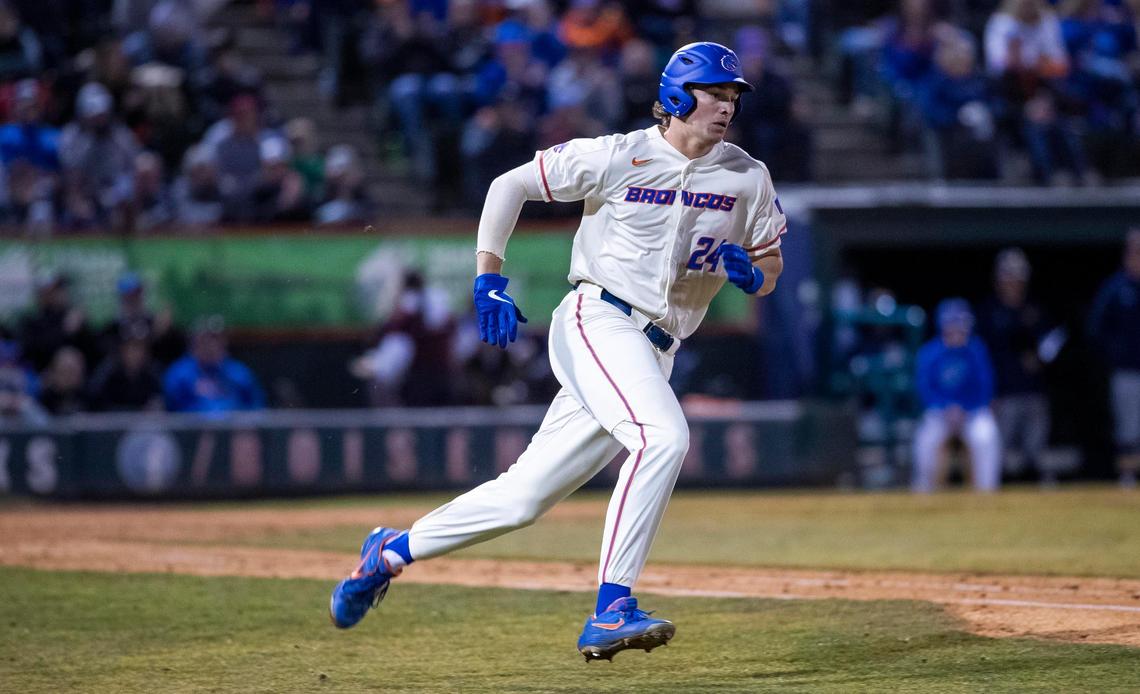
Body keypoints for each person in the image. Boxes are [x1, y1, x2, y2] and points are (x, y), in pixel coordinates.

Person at [329, 42, 787, 661]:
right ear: (677, 95)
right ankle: (612, 607)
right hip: (599, 318)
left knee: (522, 498)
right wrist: (488, 276)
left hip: (657, 349)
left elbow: (771, 261)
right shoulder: (618, 155)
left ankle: (387, 552)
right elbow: (508, 184)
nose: (727, 105)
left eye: (733, 95)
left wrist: (754, 276)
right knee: (664, 438)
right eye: (715, 92)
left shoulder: (746, 176)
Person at [976, 249, 1052, 481]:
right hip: (1003, 391)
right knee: (1000, 451)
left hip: (1034, 389)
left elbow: (1051, 343)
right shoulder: (988, 311)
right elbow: (981, 356)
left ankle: (1035, 493)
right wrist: (988, 394)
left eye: (1017, 276)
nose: (1012, 282)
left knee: (1035, 449)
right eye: (1008, 276)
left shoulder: (1034, 309)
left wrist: (1040, 358)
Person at [912, 298, 1002, 493]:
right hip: (940, 413)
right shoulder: (930, 352)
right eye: (953, 324)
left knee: (985, 435)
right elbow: (924, 388)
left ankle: (987, 493)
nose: (958, 330)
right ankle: (923, 494)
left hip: (972, 412)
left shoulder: (976, 349)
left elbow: (985, 386)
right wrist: (947, 408)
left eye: (961, 325)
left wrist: (965, 409)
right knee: (926, 441)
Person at [1088, 228, 1140, 488]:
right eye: (1135, 250)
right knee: (1128, 428)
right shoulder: (1116, 288)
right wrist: (1116, 354)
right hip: (1127, 371)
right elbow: (1096, 328)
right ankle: (1128, 479)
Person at [163, 316, 265, 413]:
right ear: (194, 342)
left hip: (234, 428)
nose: (211, 345)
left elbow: (256, 406)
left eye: (216, 338)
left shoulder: (238, 372)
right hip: (193, 429)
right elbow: (172, 408)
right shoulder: (179, 373)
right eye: (205, 339)